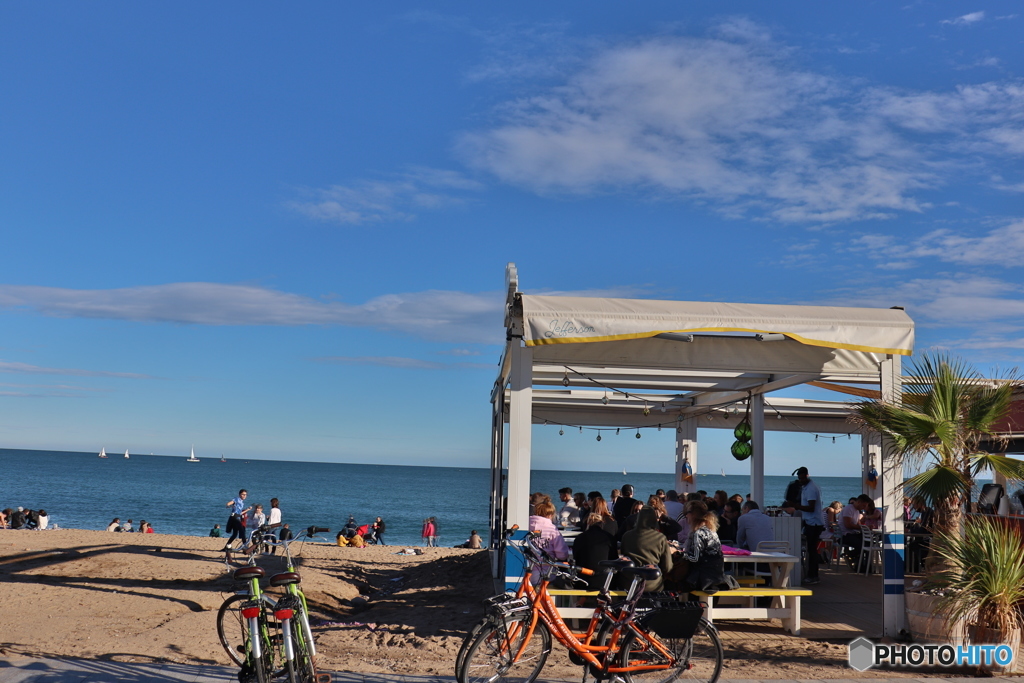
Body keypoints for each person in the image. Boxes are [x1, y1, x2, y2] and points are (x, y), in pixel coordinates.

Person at [676, 501, 732, 592]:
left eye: (688, 513)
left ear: (694, 515)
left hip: (703, 579)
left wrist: (678, 553)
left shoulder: (698, 533)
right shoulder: (711, 531)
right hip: (716, 576)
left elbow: (695, 558)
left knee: (674, 579)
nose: (686, 515)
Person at [784, 466, 824, 585]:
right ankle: (811, 574)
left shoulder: (811, 489)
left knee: (812, 551)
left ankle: (813, 575)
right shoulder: (807, 487)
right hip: (810, 522)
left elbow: (811, 507)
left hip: (814, 523)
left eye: (802, 478)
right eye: (799, 478)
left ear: (807, 475)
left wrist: (796, 506)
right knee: (810, 550)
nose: (800, 481)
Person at [620, 506, 673, 592]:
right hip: (652, 584)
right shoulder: (660, 538)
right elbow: (667, 567)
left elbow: (623, 555)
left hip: (629, 582)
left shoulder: (627, 536)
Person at [572, 512, 617, 591]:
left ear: (588, 523)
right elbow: (614, 558)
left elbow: (576, 558)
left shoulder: (580, 538)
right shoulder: (609, 537)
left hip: (583, 579)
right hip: (605, 580)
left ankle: (580, 602)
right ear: (602, 523)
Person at [528, 501, 570, 582]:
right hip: (546, 571)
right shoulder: (552, 529)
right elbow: (562, 555)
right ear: (550, 515)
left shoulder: (525, 525)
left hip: (524, 570)